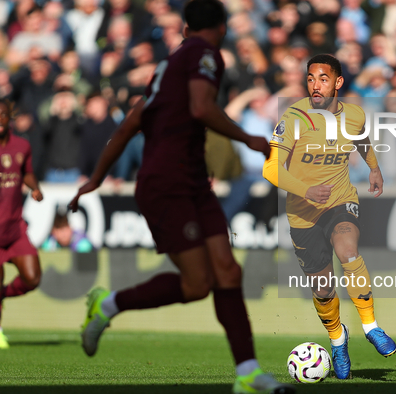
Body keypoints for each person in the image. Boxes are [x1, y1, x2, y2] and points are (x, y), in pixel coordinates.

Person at [68, 1, 294, 393]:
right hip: (166, 185)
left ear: (187, 27)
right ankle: (107, 304)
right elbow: (201, 106)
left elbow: (126, 128)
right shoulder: (205, 55)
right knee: (196, 285)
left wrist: (97, 178)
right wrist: (250, 138)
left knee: (228, 271)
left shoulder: (168, 66)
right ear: (222, 28)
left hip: (190, 182)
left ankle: (248, 374)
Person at [263, 54, 396, 380]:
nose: (315, 85)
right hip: (302, 214)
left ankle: (371, 327)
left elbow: (362, 138)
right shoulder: (293, 117)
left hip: (340, 200)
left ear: (337, 82)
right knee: (323, 289)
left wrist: (375, 168)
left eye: (322, 78)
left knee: (348, 251)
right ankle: (338, 340)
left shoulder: (353, 114)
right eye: (310, 78)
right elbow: (270, 168)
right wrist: (306, 190)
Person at [0, 98, 43, 349]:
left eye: (2, 114)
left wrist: (34, 188)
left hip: (15, 229)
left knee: (32, 278)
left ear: (9, 117)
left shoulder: (22, 145)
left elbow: (27, 171)